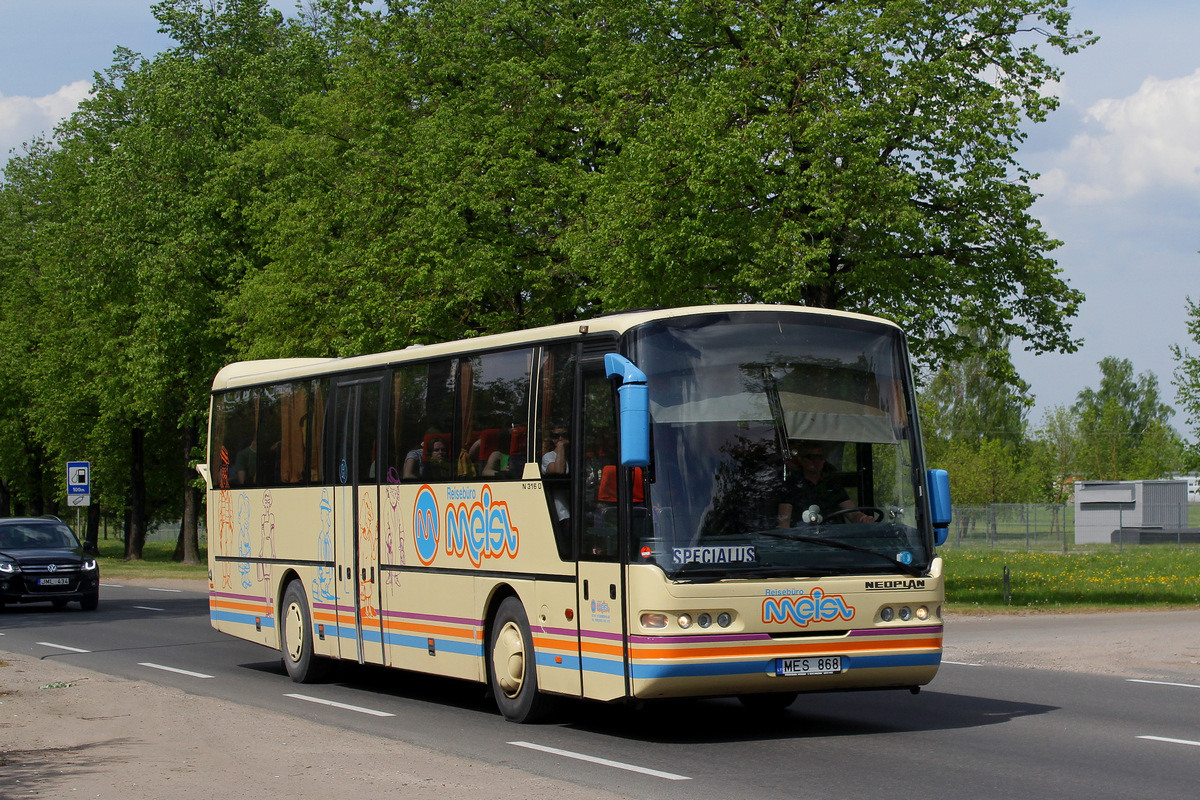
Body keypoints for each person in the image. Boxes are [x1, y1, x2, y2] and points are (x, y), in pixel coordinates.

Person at [776, 440, 868, 526]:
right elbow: (784, 521)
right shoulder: (792, 486)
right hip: (803, 538)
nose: (816, 461)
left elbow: (852, 514)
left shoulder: (832, 485)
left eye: (820, 457)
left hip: (834, 538)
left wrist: (863, 519)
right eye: (811, 457)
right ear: (801, 459)